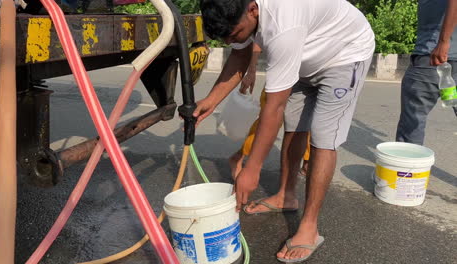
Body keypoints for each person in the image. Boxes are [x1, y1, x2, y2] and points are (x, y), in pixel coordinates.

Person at [195, 0, 374, 262]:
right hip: (306, 53)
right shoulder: (239, 9)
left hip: (345, 54)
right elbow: (240, 54)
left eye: (234, 34)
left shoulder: (282, 24)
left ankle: (310, 227)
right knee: (295, 125)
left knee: (323, 137)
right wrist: (210, 101)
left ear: (253, 9)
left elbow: (273, 107)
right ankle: (285, 196)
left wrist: (251, 169)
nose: (233, 40)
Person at [229, 43, 311, 181]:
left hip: (310, 75)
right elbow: (258, 38)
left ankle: (307, 163)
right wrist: (252, 70)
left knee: (308, 119)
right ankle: (239, 156)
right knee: (268, 120)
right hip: (281, 74)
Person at [396, 0, 457, 145]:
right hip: (440, 54)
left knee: (413, 120)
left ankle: (408, 166)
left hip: (434, 55)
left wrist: (443, 42)